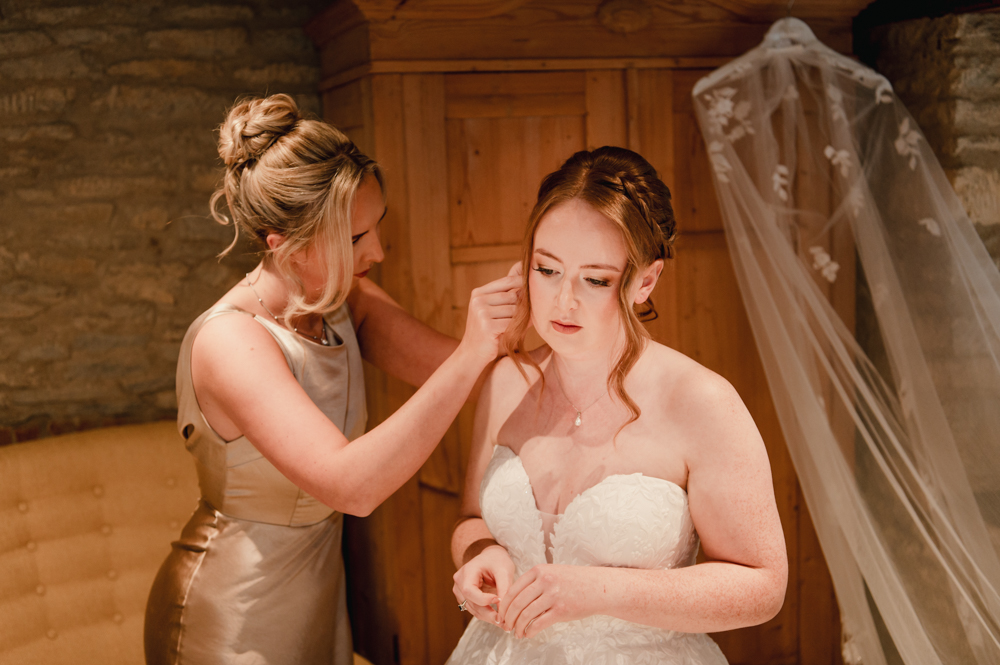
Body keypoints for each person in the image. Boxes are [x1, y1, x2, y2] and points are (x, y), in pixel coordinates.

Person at [143, 94, 519, 665]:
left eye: (377, 228)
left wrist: (551, 293)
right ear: (283, 245)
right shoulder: (231, 343)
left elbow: (477, 371)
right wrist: (471, 353)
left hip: (319, 598)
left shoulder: (348, 303)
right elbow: (351, 487)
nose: (379, 252)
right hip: (232, 614)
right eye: (354, 239)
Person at [447, 147, 787, 663]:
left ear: (644, 281)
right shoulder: (505, 382)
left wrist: (598, 593)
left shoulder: (701, 402)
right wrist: (480, 553)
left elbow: (762, 587)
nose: (564, 301)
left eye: (596, 279)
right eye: (547, 269)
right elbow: (472, 517)